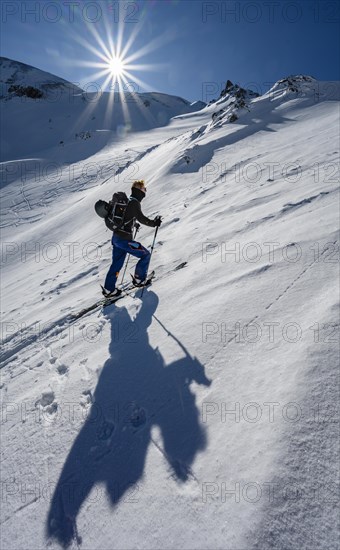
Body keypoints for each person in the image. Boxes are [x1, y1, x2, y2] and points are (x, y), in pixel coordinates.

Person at [102, 180, 161, 297]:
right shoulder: (134, 203)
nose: (145, 191)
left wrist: (134, 224)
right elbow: (141, 217)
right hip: (125, 241)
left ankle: (109, 289)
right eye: (144, 189)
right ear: (139, 190)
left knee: (116, 265)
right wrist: (154, 223)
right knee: (145, 255)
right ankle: (139, 279)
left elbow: (127, 218)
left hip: (117, 239)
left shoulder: (128, 201)